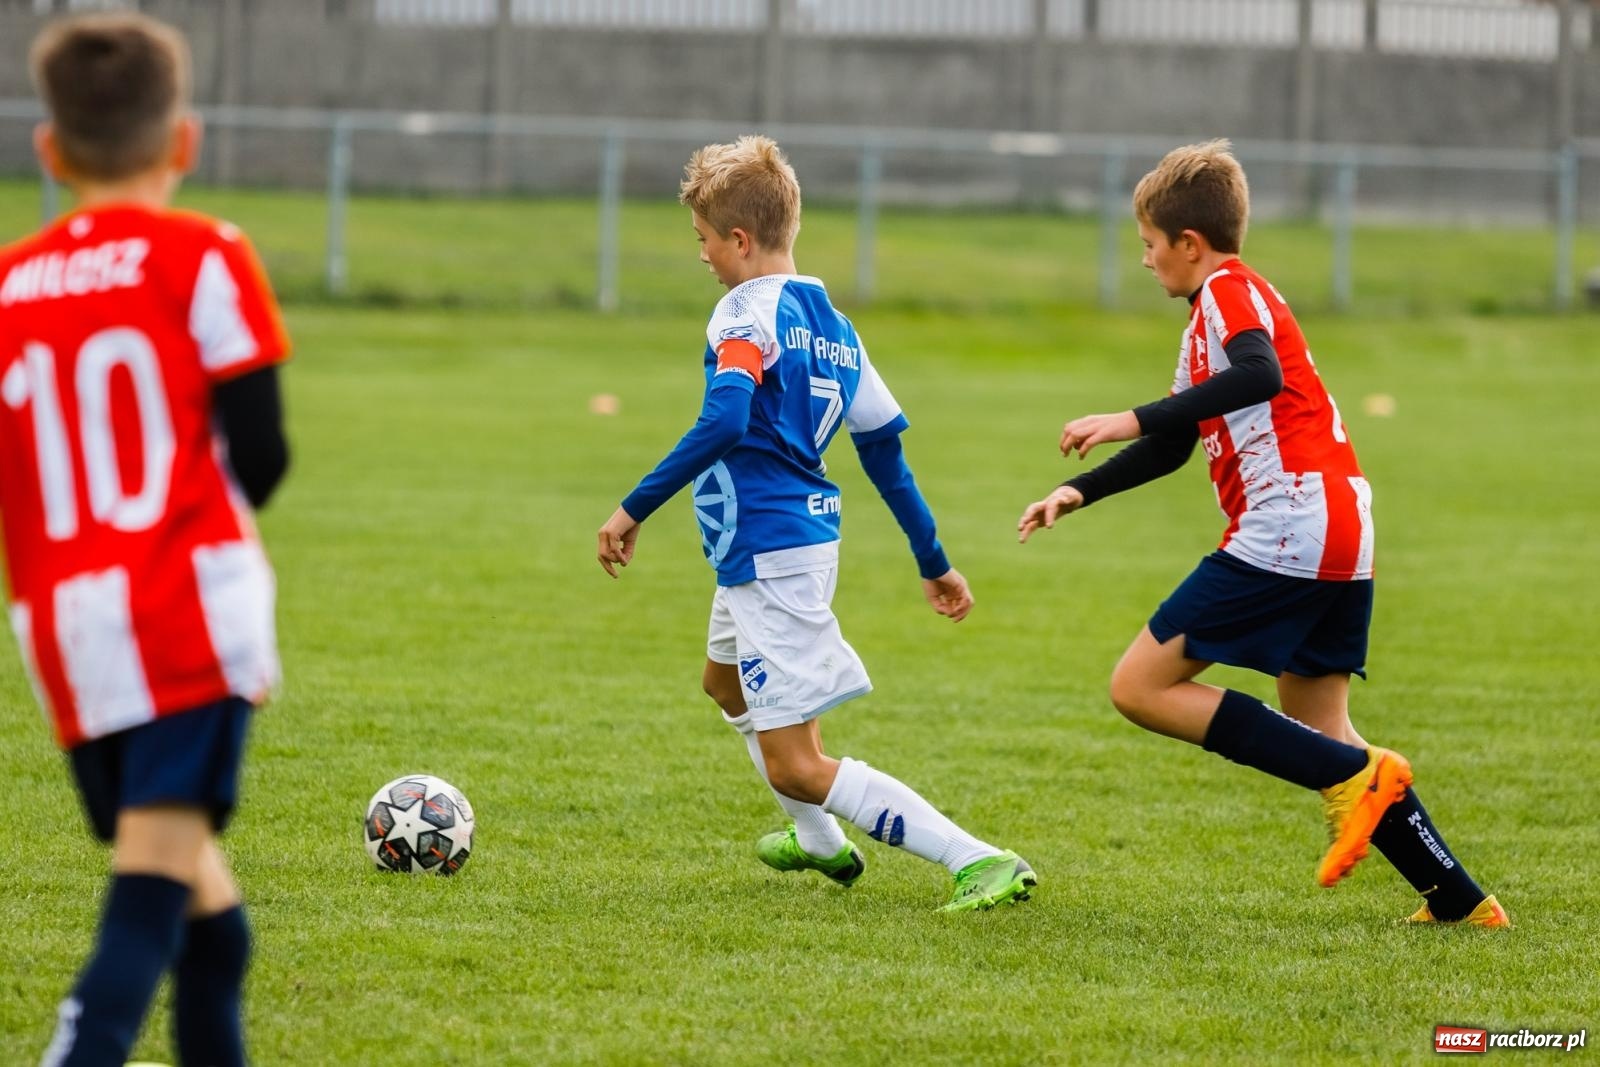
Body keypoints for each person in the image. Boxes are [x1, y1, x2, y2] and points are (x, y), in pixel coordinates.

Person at [1017, 139, 1505, 927]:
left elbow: (1260, 376)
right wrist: (1079, 489)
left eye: (1148, 245)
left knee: (1139, 686)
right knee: (1321, 724)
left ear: (1190, 245)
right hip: (1343, 521)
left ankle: (1362, 775)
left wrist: (1125, 415)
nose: (1144, 262)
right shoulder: (1213, 317)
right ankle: (1458, 897)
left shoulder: (1228, 295)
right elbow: (1177, 442)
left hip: (1290, 522)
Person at [596, 135, 1034, 912]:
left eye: (703, 240)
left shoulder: (742, 311)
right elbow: (885, 455)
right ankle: (823, 842)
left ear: (738, 239)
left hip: (772, 547)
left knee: (799, 763)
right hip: (769, 545)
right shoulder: (832, 324)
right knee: (721, 681)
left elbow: (726, 419)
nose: (700, 255)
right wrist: (933, 559)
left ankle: (980, 858)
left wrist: (633, 507)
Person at [2, 13, 293, 1065]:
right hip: (181, 618)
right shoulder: (204, 254)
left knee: (214, 927)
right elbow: (261, 454)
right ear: (186, 141)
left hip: (67, 639)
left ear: (50, 150)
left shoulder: (8, 285)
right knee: (140, 911)